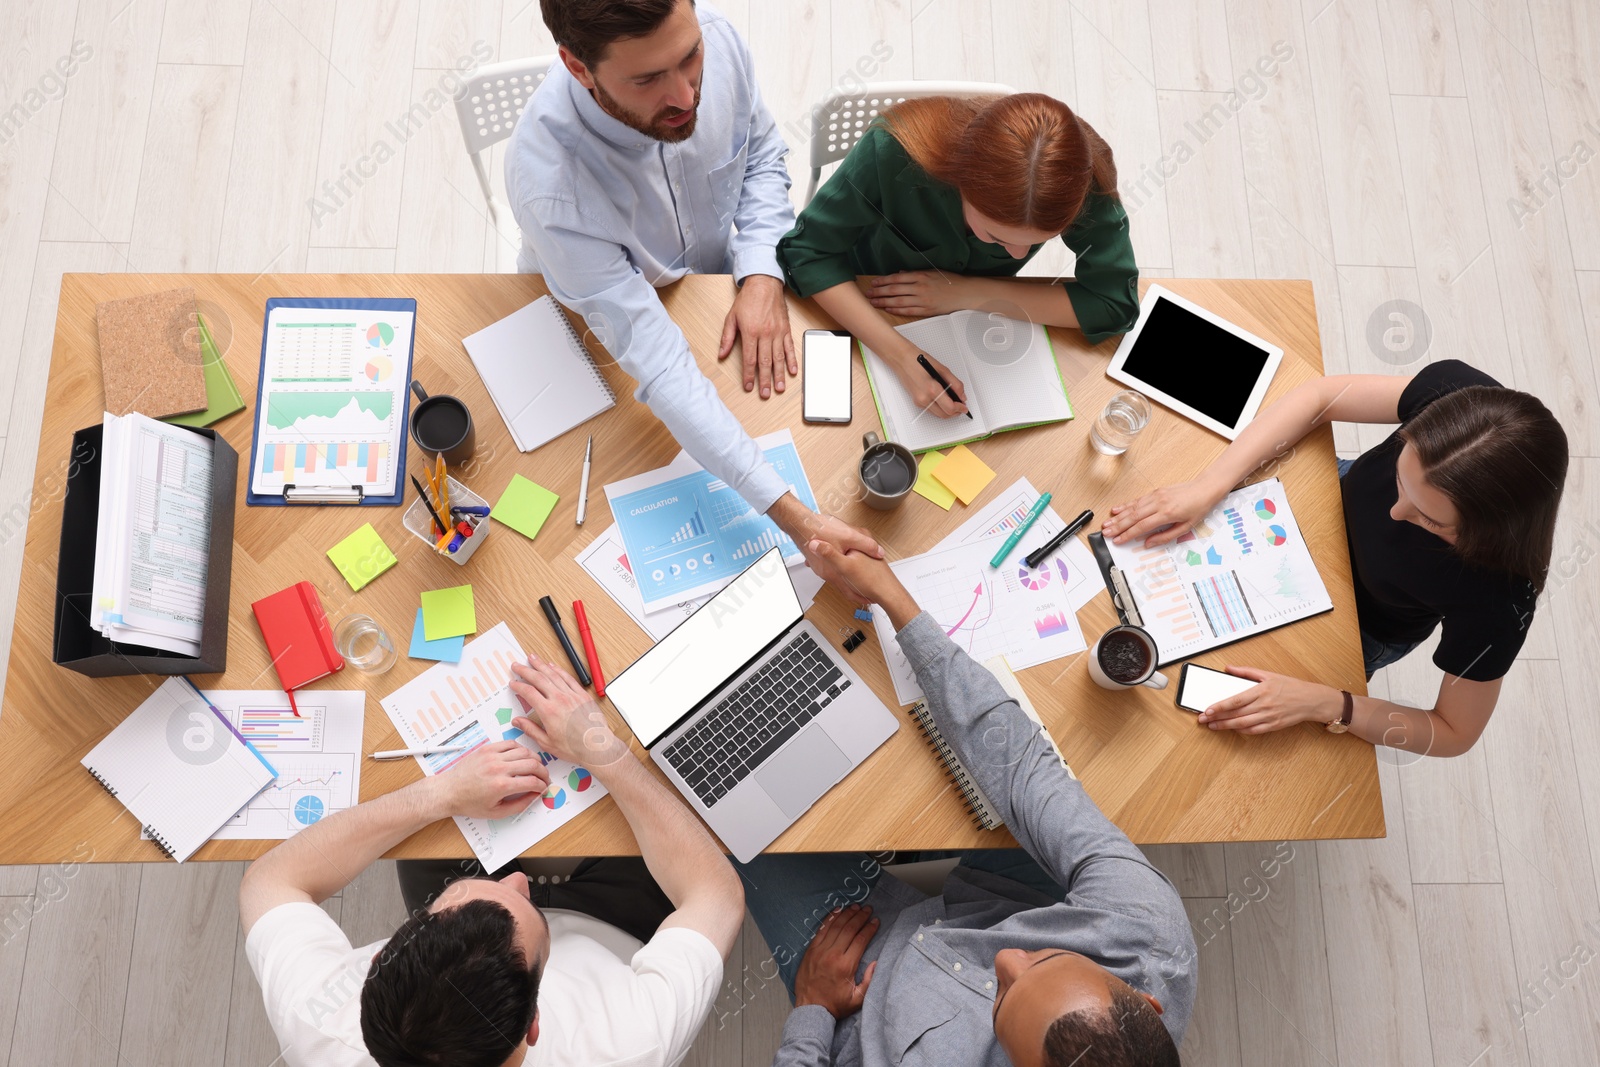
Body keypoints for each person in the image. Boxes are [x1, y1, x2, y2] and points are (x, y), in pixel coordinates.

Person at [738, 540, 1195, 1067]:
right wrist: (894, 599)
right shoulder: (1149, 934)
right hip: (1009, 896)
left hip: (857, 987)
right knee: (1004, 783)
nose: (1003, 956)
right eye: (1047, 958)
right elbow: (1025, 771)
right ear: (1145, 1002)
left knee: (738, 828)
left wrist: (813, 1013)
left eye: (1000, 1005)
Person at [506, 0, 881, 598]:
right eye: (649, 79)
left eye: (689, 59)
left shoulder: (720, 42)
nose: (685, 95)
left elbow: (761, 158)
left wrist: (760, 271)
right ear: (580, 70)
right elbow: (657, 363)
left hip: (710, 288)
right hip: (597, 321)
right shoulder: (554, 189)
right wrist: (796, 519)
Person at [239, 653, 745, 1067]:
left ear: (376, 964)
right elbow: (716, 895)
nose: (517, 879)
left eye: (449, 903)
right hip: (608, 914)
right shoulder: (628, 1043)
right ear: (534, 1026)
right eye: (527, 912)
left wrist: (436, 795)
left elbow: (270, 882)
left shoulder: (321, 1027)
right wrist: (600, 748)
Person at [1103, 359, 1568, 757]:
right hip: (1313, 509)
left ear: (1485, 531)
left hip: (1362, 623)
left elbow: (1454, 732)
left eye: (1429, 519)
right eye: (1400, 477)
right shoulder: (1464, 403)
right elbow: (1323, 396)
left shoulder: (1500, 598)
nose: (1395, 510)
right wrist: (1211, 483)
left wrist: (1330, 705)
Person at [777, 93, 1138, 418]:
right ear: (959, 180)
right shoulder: (892, 151)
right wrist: (903, 358)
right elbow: (807, 252)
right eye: (996, 237)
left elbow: (1114, 303)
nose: (1018, 254)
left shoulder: (1079, 179)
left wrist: (968, 293)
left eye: (1039, 241)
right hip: (863, 294)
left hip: (971, 319)